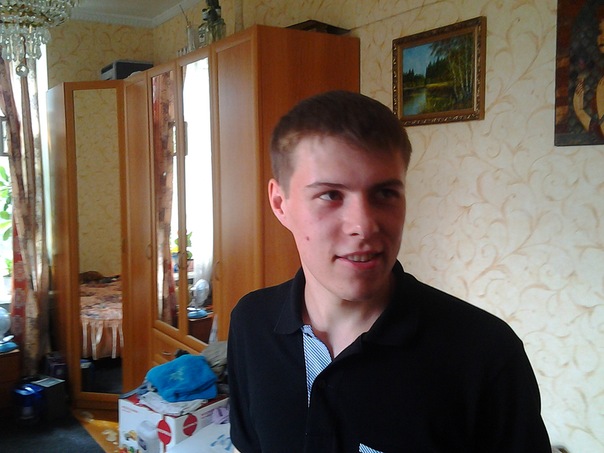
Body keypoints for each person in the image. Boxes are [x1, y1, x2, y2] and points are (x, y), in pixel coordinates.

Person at [227, 90, 551, 452]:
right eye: (331, 195)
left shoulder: (485, 353)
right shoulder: (250, 323)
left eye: (384, 193)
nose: (364, 226)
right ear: (280, 203)